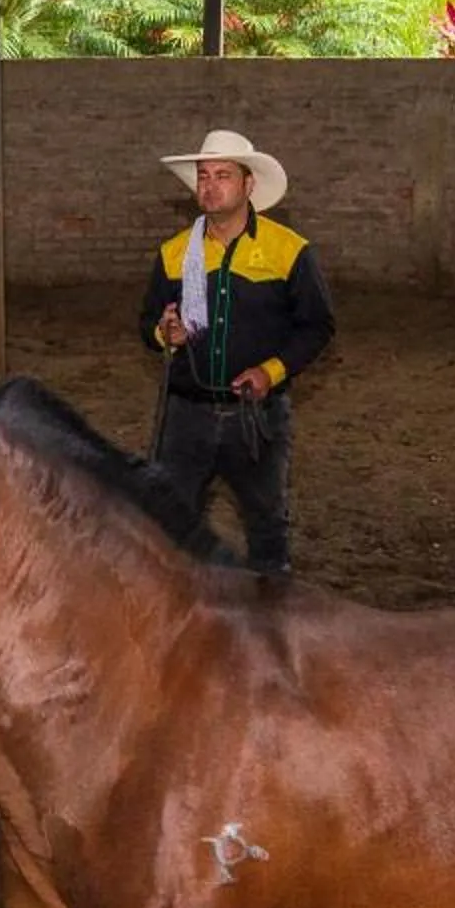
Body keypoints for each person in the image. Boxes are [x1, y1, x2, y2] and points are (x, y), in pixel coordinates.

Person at [137, 128, 335, 576]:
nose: (209, 185)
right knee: (168, 527)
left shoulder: (289, 251)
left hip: (256, 416)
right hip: (186, 416)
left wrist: (271, 371)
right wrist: (165, 333)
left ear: (248, 185)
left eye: (222, 175)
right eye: (204, 176)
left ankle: (271, 606)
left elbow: (317, 325)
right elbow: (147, 324)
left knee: (266, 526)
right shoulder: (173, 254)